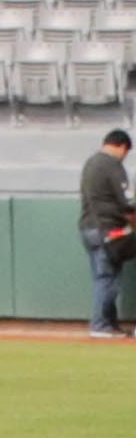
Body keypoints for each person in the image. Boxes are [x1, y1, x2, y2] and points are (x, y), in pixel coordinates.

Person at [81, 121, 131, 342]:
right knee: (108, 278)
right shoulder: (112, 166)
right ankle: (101, 325)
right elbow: (126, 204)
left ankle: (109, 324)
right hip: (107, 229)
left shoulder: (90, 163)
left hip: (88, 227)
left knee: (102, 277)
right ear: (122, 147)